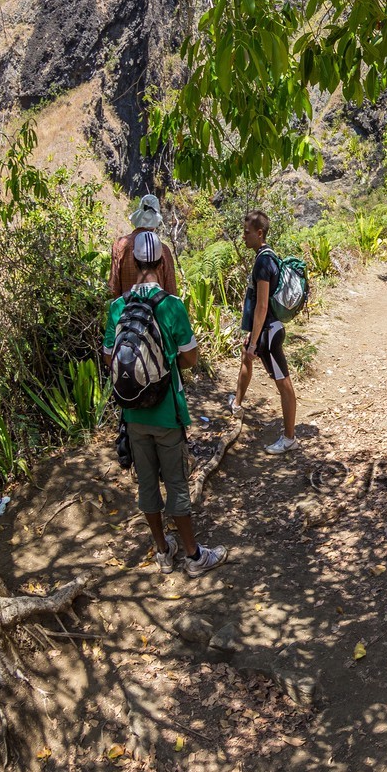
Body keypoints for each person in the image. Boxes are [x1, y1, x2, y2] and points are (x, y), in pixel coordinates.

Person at [104, 232, 227, 576]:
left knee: (146, 484)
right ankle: (193, 556)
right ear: (161, 263)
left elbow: (108, 356)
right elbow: (191, 357)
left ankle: (162, 552)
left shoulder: (118, 307)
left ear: (134, 263)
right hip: (167, 411)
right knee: (176, 483)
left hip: (132, 414)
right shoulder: (171, 305)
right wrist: (166, 361)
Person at [230, 210, 299, 454]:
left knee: (283, 383)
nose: (243, 237)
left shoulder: (263, 261)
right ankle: (237, 403)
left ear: (260, 233)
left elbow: (261, 306)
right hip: (266, 331)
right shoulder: (267, 257)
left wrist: (254, 340)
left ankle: (289, 437)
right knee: (249, 362)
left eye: (247, 233)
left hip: (269, 333)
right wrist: (252, 338)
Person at [109, 194, 177, 298]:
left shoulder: (120, 245)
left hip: (127, 310)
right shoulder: (163, 250)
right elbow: (171, 291)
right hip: (157, 311)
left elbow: (113, 288)